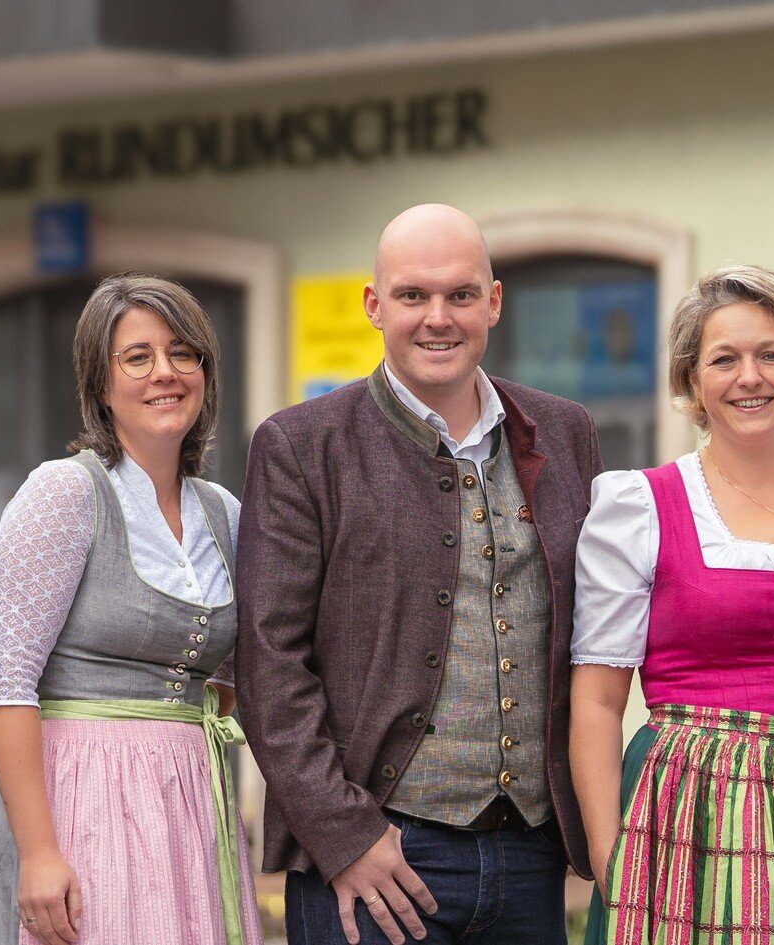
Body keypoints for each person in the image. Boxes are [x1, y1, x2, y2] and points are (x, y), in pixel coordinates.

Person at [236, 204, 603, 945]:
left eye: (460, 295)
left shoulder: (565, 432)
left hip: (530, 857)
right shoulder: (302, 446)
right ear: (374, 306)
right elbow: (269, 666)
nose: (439, 317)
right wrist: (345, 836)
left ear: (493, 302)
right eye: (413, 295)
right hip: (374, 860)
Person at [570, 265, 774, 945]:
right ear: (692, 381)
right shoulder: (641, 506)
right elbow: (598, 702)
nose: (749, 377)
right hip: (688, 810)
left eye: (771, 355)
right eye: (724, 359)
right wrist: (612, 866)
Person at [0, 273, 262, 945]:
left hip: (190, 804)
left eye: (183, 353)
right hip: (80, 801)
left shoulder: (225, 514)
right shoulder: (65, 493)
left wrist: (177, 753)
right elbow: (6, 686)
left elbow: (234, 679)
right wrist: (39, 851)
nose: (165, 372)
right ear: (100, 384)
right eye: (138, 357)